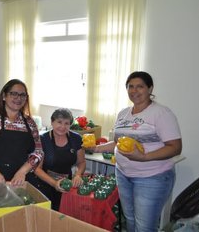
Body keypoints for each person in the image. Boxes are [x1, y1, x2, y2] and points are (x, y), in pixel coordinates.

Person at [90, 71, 182, 232]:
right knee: (130, 219)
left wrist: (145, 157)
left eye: (140, 86)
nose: (134, 90)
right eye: (130, 87)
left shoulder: (161, 113)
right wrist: (96, 148)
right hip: (123, 174)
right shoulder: (123, 114)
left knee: (144, 227)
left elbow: (175, 147)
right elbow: (118, 143)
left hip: (152, 178)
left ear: (150, 88)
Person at [34, 108, 86, 211]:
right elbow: (37, 169)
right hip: (45, 184)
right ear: (52, 122)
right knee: (46, 213)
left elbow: (81, 162)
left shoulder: (76, 138)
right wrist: (54, 183)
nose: (62, 127)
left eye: (66, 123)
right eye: (59, 122)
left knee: (62, 214)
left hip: (66, 185)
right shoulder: (43, 139)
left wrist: (78, 175)